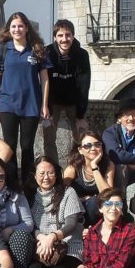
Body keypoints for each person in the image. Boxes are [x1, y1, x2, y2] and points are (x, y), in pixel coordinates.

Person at [0, 12, 51, 184]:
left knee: (27, 146)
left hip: (31, 104)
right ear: (9, 29)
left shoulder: (37, 49)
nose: (17, 29)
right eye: (14, 26)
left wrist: (44, 104)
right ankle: (11, 183)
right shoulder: (2, 50)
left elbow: (45, 79)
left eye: (20, 26)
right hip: (7, 104)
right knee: (9, 146)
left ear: (27, 28)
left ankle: (28, 184)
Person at [43, 19, 91, 162]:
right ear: (55, 37)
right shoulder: (47, 53)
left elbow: (84, 84)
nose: (64, 39)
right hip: (53, 101)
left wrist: (81, 115)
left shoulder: (82, 55)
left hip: (74, 101)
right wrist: (46, 107)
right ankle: (53, 168)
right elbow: (43, 81)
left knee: (83, 137)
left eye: (68, 35)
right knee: (49, 138)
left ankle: (82, 166)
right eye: (60, 35)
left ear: (73, 36)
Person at [62, 131, 114, 227]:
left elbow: (108, 195)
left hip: (99, 210)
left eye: (97, 144)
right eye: (87, 146)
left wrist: (94, 167)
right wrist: (80, 199)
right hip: (76, 210)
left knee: (97, 202)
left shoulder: (108, 165)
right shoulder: (73, 168)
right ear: (80, 150)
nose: (93, 148)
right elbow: (61, 193)